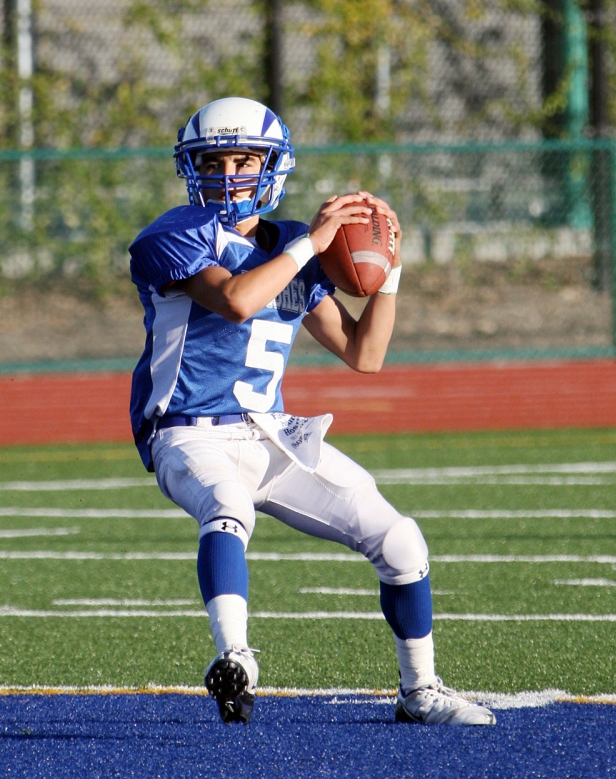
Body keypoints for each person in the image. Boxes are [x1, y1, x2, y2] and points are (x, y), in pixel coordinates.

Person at [129, 96, 496, 727]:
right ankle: (237, 661)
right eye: (215, 160)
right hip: (188, 433)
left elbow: (365, 353)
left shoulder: (294, 245)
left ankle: (420, 691)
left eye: (245, 159)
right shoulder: (172, 236)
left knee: (401, 539)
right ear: (192, 167)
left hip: (273, 435)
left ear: (274, 165)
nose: (229, 174)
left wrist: (391, 270)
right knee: (226, 507)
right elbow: (240, 300)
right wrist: (315, 245)